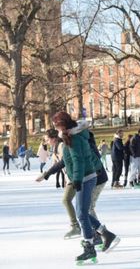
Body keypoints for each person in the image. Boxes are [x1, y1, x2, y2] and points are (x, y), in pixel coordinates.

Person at [52, 112, 119, 264]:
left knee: (82, 214)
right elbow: (68, 160)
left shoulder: (74, 138)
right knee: (81, 212)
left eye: (56, 126)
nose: (56, 130)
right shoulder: (71, 136)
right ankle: (105, 233)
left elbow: (78, 161)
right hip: (85, 176)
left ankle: (89, 247)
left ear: (63, 125)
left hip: (85, 177)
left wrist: (76, 179)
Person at [36, 128, 80, 239]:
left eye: (47, 139)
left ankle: (78, 227)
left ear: (54, 139)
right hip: (72, 177)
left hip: (75, 177)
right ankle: (95, 231)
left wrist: (46, 174)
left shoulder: (61, 146)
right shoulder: (56, 147)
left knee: (68, 201)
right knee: (82, 208)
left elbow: (63, 162)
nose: (46, 141)